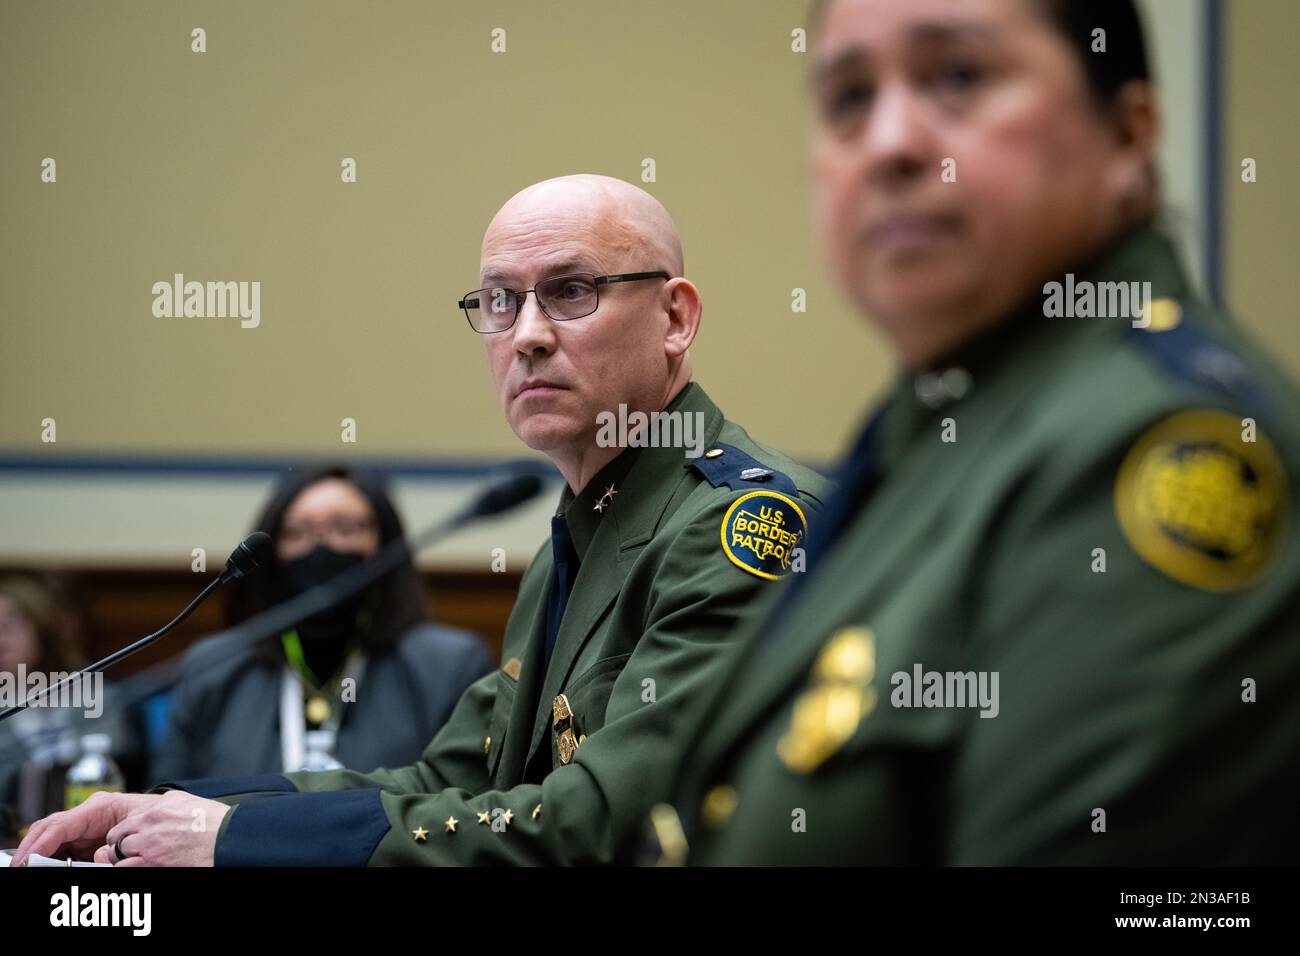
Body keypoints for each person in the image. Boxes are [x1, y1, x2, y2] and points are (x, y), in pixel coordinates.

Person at [12, 174, 828, 866]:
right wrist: (162, 809)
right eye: (502, 302)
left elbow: (608, 819)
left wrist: (234, 838)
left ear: (676, 319)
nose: (529, 336)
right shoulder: (576, 539)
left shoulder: (743, 527)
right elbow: (446, 781)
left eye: (571, 292)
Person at [656, 0, 1300, 865]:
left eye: (958, 76)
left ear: (1128, 135)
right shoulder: (943, 423)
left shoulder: (1159, 449)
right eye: (847, 97)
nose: (889, 143)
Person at [150, 464, 492, 782]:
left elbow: (462, 802)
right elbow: (166, 800)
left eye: (345, 529)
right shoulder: (214, 667)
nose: (321, 547)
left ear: (386, 545)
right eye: (297, 532)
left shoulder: (449, 667)